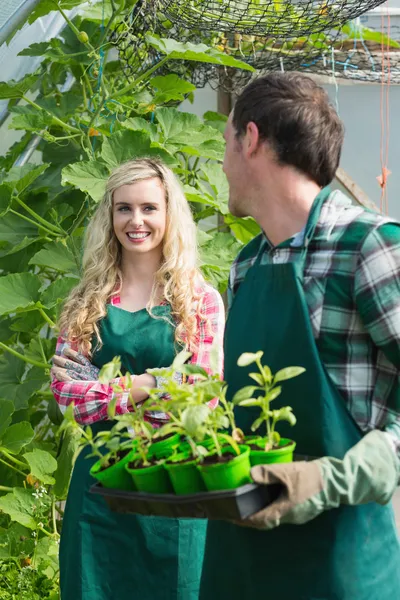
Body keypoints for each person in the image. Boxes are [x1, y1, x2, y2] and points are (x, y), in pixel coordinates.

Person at [199, 72, 400, 600]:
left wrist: (332, 479)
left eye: (226, 143)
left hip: (339, 562)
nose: (223, 164)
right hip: (239, 558)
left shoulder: (368, 248)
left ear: (251, 138)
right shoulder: (248, 264)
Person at [50, 158, 224, 600]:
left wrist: (106, 388)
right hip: (99, 496)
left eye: (149, 208)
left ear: (169, 214)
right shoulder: (85, 303)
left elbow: (198, 398)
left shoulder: (200, 303)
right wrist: (149, 385)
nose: (136, 220)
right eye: (123, 208)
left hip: (175, 488)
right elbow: (69, 396)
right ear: (110, 217)